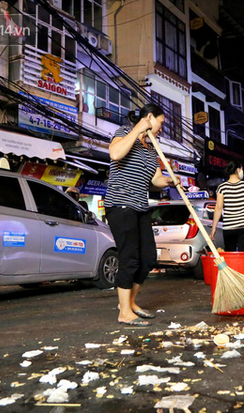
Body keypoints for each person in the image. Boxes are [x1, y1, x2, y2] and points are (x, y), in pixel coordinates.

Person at [105, 103, 177, 326]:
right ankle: (124, 312)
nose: (161, 128)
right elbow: (115, 153)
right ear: (149, 118)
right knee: (130, 258)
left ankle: (129, 303)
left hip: (139, 206)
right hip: (120, 205)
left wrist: (170, 180)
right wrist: (138, 129)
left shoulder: (151, 148)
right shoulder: (125, 133)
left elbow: (155, 180)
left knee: (148, 258)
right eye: (160, 123)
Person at [210, 160, 244, 252]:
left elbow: (218, 208)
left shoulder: (222, 187)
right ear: (238, 170)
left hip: (228, 227)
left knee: (230, 255)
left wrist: (213, 228)